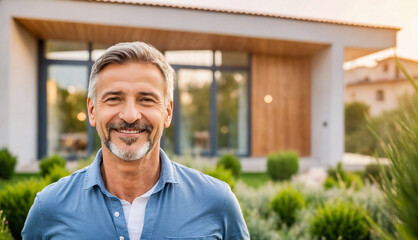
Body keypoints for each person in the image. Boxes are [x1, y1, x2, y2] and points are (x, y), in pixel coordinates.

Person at [22, 42, 249, 240]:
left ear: (168, 112)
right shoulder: (49, 209)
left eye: (146, 99)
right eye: (114, 99)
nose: (130, 115)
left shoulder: (218, 203)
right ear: (92, 111)